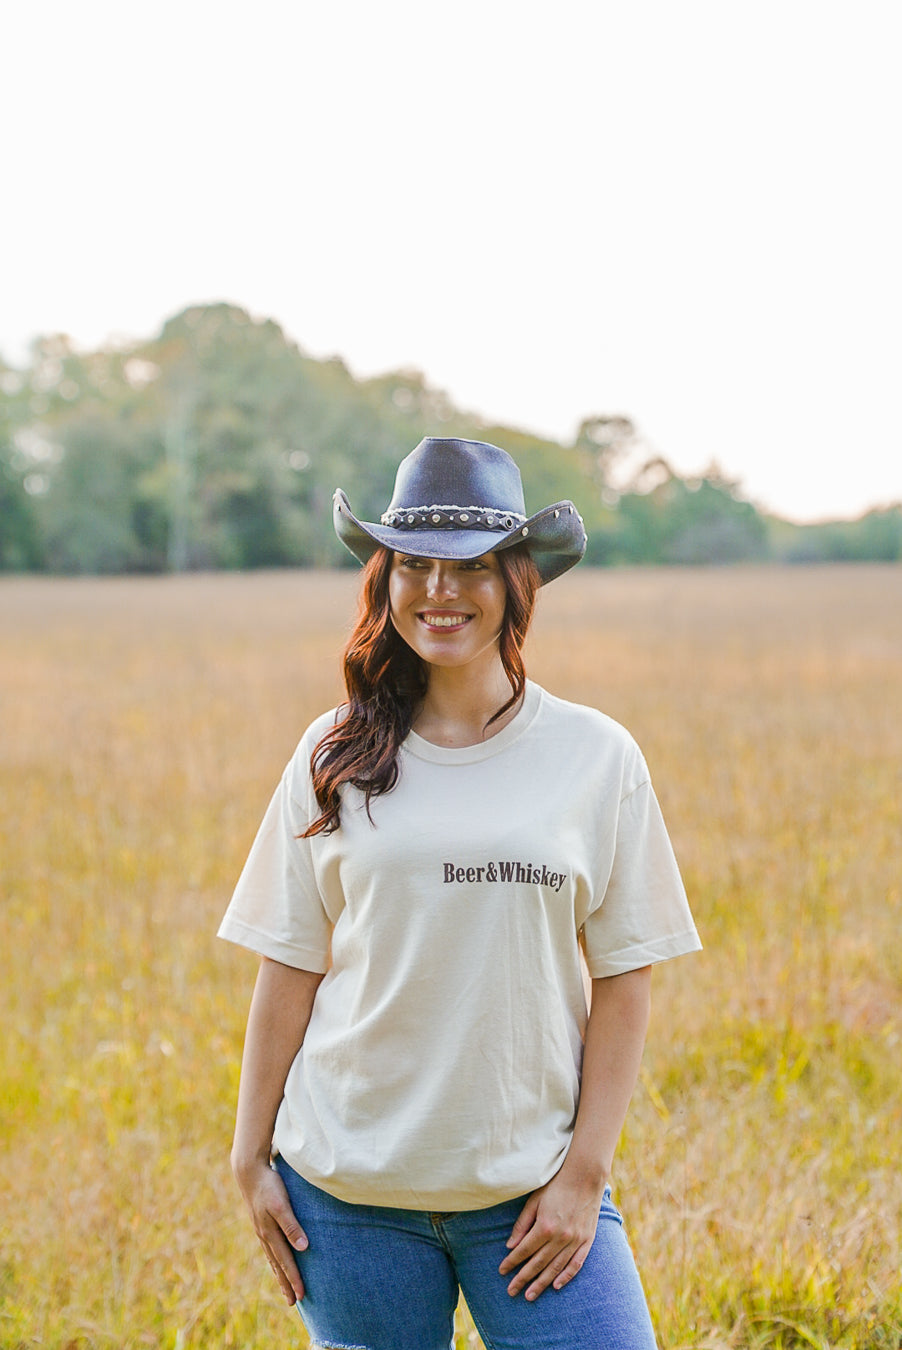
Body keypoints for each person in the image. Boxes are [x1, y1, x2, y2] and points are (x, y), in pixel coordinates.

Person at [219, 436, 701, 1350]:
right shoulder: (333, 754)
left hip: (530, 1195)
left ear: (518, 581)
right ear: (385, 581)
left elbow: (624, 979)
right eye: (414, 565)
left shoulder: (597, 755)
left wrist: (584, 1176)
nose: (440, 591)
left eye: (471, 566)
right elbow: (290, 963)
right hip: (347, 1198)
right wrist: (250, 1157)